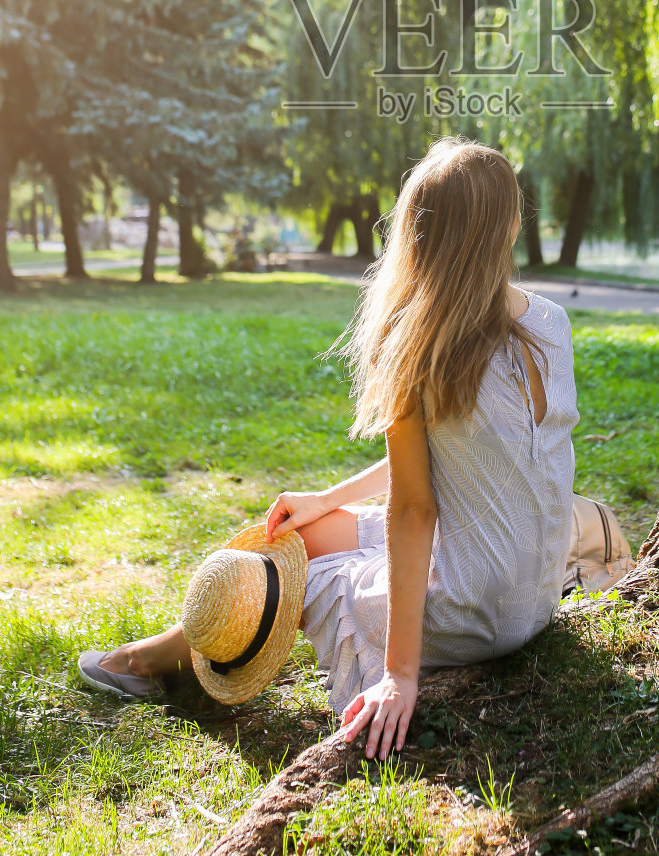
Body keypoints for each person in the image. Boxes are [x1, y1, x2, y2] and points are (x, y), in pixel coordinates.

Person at [79, 136, 578, 761]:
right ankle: (162, 653)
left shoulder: (420, 344)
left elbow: (416, 511)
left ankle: (165, 661)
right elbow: (453, 458)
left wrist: (400, 675)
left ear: (418, 233)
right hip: (534, 598)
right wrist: (327, 499)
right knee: (305, 533)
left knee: (288, 571)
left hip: (475, 609)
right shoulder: (549, 323)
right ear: (507, 227)